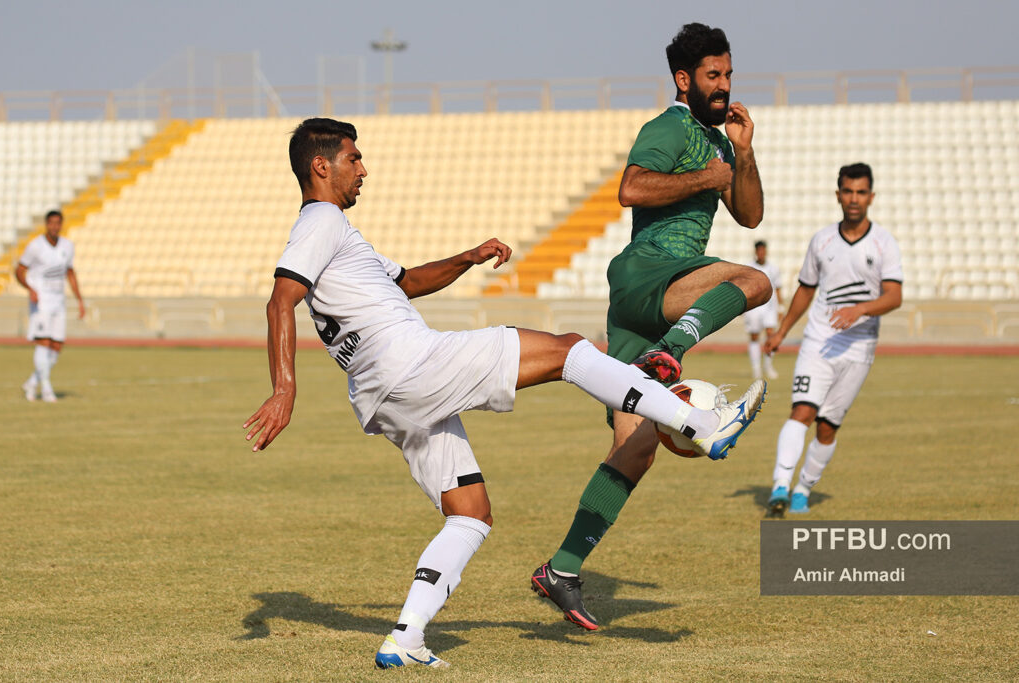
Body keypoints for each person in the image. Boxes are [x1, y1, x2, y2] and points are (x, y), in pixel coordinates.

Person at [242, 118, 766, 669]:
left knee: (469, 514)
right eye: (354, 158)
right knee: (568, 350)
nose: (363, 169)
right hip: (410, 362)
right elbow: (281, 300)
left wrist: (466, 258)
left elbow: (407, 282)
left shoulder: (341, 237)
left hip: (381, 395)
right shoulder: (321, 220)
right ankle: (701, 424)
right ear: (320, 166)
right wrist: (284, 390)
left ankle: (406, 639)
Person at [530, 22, 768, 631]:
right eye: (713, 76)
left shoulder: (719, 142)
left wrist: (742, 153)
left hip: (643, 304)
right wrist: (709, 177)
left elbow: (750, 213)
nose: (724, 86)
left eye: (729, 74)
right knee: (756, 283)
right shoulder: (670, 126)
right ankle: (670, 354)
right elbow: (630, 189)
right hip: (651, 273)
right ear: (684, 80)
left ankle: (560, 569)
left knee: (635, 448)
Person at [763, 163, 903, 517]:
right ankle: (779, 486)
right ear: (837, 194)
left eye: (860, 192)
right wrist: (781, 331)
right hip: (819, 341)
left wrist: (860, 310)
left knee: (828, 426)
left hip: (859, 348)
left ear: (870, 197)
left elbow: (894, 296)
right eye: (847, 191)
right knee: (802, 411)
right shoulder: (821, 240)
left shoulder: (884, 242)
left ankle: (802, 490)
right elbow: (805, 290)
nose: (853, 199)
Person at [15, 210, 85, 403]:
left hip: (58, 301)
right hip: (42, 302)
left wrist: (80, 300)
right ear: (46, 224)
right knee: (44, 343)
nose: (54, 227)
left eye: (58, 223)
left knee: (56, 345)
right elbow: (19, 270)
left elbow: (70, 273)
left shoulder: (67, 246)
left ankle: (32, 382)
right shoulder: (35, 246)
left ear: (61, 225)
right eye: (51, 223)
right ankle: (46, 389)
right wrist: (31, 289)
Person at [743, 240, 782, 379]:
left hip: (770, 307)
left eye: (763, 250)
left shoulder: (773, 268)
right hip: (754, 307)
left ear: (765, 251)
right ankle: (756, 369)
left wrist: (781, 308)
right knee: (754, 337)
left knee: (770, 336)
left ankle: (768, 365)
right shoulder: (748, 268)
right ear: (756, 252)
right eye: (758, 250)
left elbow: (778, 288)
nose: (761, 253)